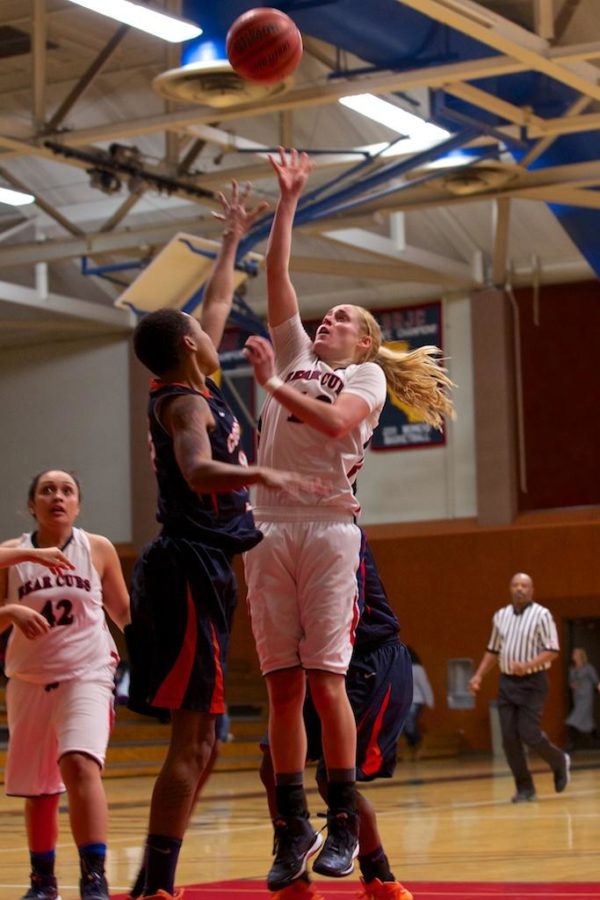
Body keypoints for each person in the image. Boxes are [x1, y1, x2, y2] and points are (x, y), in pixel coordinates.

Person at [243, 147, 454, 892]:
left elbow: (336, 425)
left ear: (363, 341)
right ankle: (294, 822)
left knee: (327, 682)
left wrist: (270, 381)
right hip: (266, 523)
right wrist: (288, 198)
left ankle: (340, 823)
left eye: (341, 319)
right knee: (281, 688)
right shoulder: (296, 351)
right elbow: (277, 277)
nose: (325, 320)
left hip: (329, 527)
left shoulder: (359, 375)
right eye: (324, 315)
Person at [126, 181, 326, 900]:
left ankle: (154, 877)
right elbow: (197, 468)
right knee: (193, 741)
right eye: (202, 328)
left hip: (206, 568)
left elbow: (211, 302)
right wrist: (266, 470)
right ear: (189, 347)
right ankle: (156, 888)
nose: (217, 326)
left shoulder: (195, 377)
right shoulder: (183, 404)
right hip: (186, 567)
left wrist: (232, 239)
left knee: (207, 742)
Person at [260, 532, 414, 900]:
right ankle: (296, 882)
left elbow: (341, 614)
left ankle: (382, 881)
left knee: (332, 778)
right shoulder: (285, 535)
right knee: (273, 766)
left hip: (368, 660)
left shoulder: (341, 535)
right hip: (320, 666)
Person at [0, 469, 130, 900]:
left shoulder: (97, 549)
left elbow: (124, 613)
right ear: (31, 504)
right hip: (29, 678)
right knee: (39, 789)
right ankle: (44, 882)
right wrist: (12, 613)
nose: (57, 496)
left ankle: (94, 877)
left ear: (78, 504)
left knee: (79, 764)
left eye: (67, 490)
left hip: (87, 673)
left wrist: (153, 658)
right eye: (47, 490)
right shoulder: (12, 554)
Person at [468, 572, 570, 803]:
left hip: (533, 682)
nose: (519, 589)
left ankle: (559, 761)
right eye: (515, 585)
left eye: (524, 585)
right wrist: (478, 676)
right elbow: (493, 650)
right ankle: (525, 788)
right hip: (507, 682)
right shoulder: (501, 616)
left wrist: (528, 665)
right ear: (510, 589)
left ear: (532, 590)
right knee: (508, 738)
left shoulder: (542, 615)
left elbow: (552, 649)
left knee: (529, 733)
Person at [565, 647, 600, 751]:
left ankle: (571, 744)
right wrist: (572, 685)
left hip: (586, 696)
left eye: (575, 654)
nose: (573, 655)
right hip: (577, 697)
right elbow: (571, 681)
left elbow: (596, 681)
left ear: (580, 655)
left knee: (573, 720)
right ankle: (596, 740)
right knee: (587, 721)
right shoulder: (572, 669)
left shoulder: (588, 668)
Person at [403, 647, 434, 753]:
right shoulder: (399, 667)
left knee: (409, 723)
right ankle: (414, 748)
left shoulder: (417, 668)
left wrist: (430, 700)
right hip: (404, 702)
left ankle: (419, 745)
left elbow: (424, 685)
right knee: (403, 726)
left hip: (416, 701)